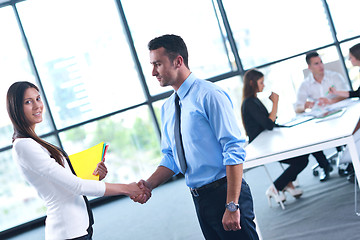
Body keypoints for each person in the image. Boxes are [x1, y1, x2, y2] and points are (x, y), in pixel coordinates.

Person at [132, 34, 259, 240]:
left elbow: (234, 149)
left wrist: (232, 204)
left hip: (225, 192)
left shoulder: (209, 95)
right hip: (200, 198)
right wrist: (148, 185)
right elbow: (172, 157)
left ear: (178, 61)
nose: (153, 72)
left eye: (158, 64)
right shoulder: (168, 108)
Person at [6, 81, 149, 240]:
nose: (37, 106)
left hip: (77, 228)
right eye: (28, 102)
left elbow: (64, 183)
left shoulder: (33, 142)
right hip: (68, 231)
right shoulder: (24, 146)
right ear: (16, 108)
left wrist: (94, 176)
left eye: (38, 99)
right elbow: (76, 186)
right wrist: (127, 188)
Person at [241, 69, 309, 205]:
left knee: (302, 154)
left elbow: (267, 122)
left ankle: (287, 183)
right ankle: (276, 187)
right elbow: (268, 124)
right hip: (263, 145)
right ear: (252, 83)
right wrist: (275, 103)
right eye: (261, 82)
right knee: (301, 160)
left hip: (268, 139)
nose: (263, 85)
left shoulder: (254, 100)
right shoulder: (249, 103)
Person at [294, 51, 349, 181]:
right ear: (309, 67)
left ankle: (346, 161)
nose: (320, 66)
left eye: (321, 62)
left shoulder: (335, 77)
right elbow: (298, 108)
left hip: (337, 115)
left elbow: (347, 95)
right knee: (308, 136)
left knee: (341, 128)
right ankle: (325, 165)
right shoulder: (305, 84)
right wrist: (305, 106)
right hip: (319, 118)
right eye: (316, 64)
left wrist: (331, 101)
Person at [329, 43, 360, 183]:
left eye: (351, 57)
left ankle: (351, 162)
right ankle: (351, 163)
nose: (349, 59)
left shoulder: (334, 76)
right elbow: (357, 93)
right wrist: (336, 93)